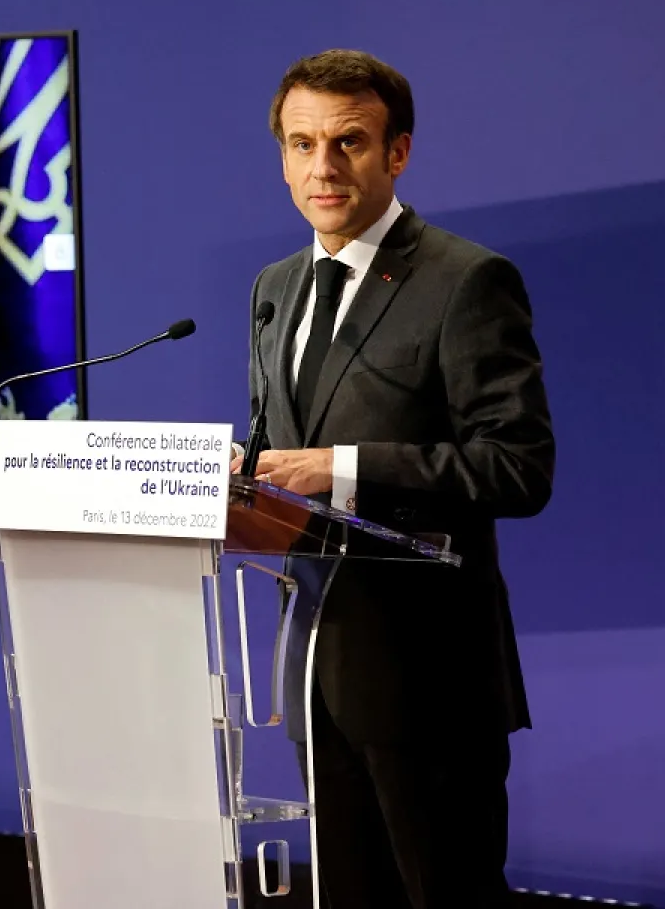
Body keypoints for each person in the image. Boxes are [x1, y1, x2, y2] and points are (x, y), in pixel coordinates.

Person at [232, 49, 555, 908]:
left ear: (397, 152)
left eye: (349, 142)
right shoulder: (275, 288)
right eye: (301, 144)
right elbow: (282, 449)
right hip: (312, 666)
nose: (322, 167)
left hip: (430, 677)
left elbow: (517, 466)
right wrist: (235, 475)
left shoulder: (465, 281)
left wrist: (338, 468)